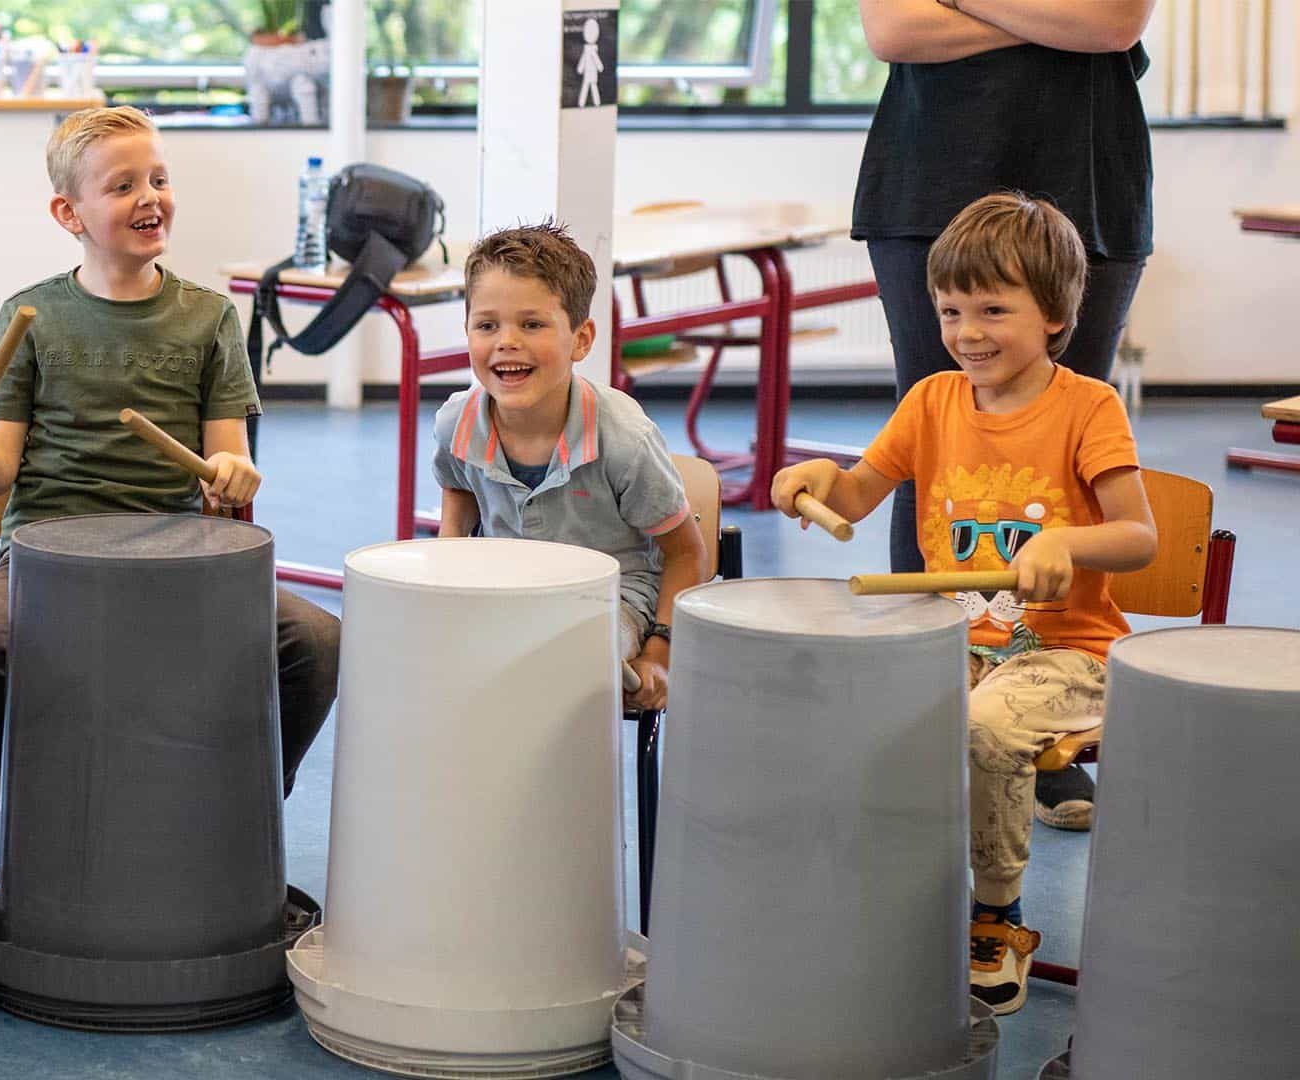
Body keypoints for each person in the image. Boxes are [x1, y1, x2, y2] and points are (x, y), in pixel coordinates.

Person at [772, 193, 1157, 1015]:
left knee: (985, 725)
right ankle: (883, 898)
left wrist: (1067, 544)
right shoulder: (933, 401)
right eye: (951, 310)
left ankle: (998, 914)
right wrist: (813, 480)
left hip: (1069, 656)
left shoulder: (1089, 408)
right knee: (842, 699)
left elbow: (1139, 537)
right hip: (954, 643)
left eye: (993, 309)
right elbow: (858, 490)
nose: (968, 331)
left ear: (1055, 314)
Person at [0, 106, 340, 801]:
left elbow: (226, 464)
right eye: (123, 186)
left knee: (317, 641)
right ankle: (38, 821)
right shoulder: (32, 315)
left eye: (158, 178)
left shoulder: (210, 318)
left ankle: (237, 816)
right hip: (47, 557)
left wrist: (229, 478)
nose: (150, 196)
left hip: (178, 558)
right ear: (70, 213)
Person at [854, 0, 1157, 826]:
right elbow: (891, 31)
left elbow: (1113, 22)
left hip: (1087, 178)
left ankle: (1041, 724)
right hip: (929, 180)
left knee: (1071, 452)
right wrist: (1051, 15)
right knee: (932, 449)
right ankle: (925, 705)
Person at [432, 222, 706, 713]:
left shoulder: (624, 438)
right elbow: (459, 491)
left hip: (608, 603)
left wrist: (660, 651)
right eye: (487, 325)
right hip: (507, 594)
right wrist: (448, 578)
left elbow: (686, 552)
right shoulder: (456, 421)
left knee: (551, 662)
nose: (506, 342)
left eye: (532, 324)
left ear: (581, 340)